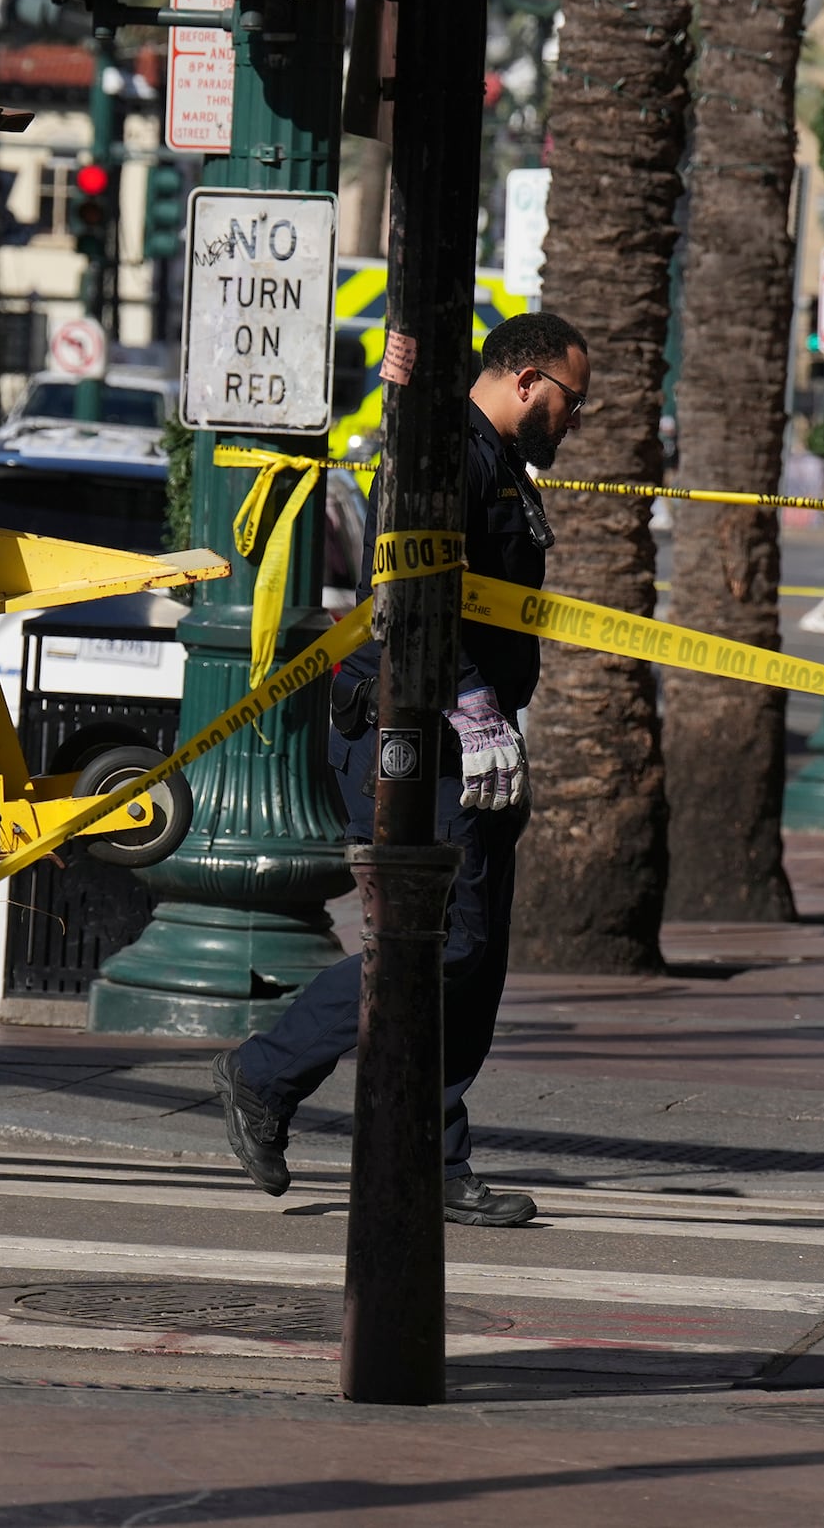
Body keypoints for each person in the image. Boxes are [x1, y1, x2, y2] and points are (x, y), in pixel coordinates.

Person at [211, 311, 589, 1229]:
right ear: (529, 378)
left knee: (476, 957)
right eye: (574, 399)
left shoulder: (498, 464)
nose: (577, 419)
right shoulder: (442, 454)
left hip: (475, 732)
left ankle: (436, 1156)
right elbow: (411, 588)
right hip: (419, 728)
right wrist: (467, 699)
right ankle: (263, 1073)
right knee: (437, 945)